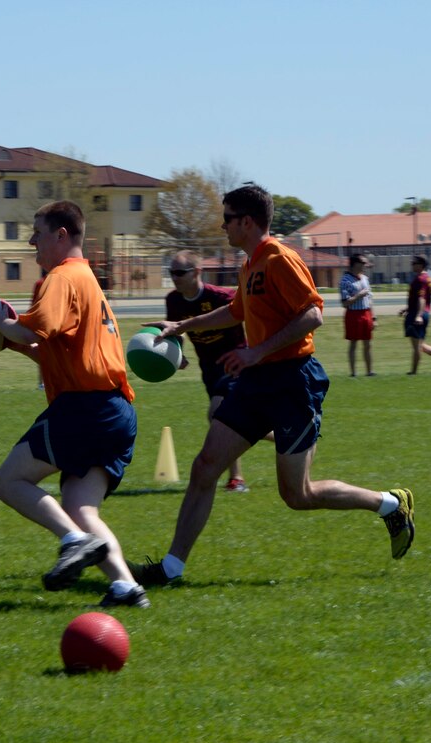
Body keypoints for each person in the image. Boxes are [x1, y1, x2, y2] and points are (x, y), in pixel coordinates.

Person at [131, 185, 414, 587]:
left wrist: (254, 352)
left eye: (227, 217)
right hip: (257, 381)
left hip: (293, 382)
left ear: (246, 221)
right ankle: (170, 568)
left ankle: (389, 504)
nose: (222, 225)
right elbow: (235, 312)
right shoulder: (249, 265)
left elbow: (314, 314)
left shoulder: (281, 258)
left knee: (297, 495)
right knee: (204, 466)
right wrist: (182, 326)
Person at [0, 201, 148, 608]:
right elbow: (53, 347)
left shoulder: (62, 276)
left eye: (37, 231)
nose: (32, 240)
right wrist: (14, 343)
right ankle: (126, 587)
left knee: (10, 482)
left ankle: (73, 542)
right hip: (115, 412)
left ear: (61, 235)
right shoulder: (86, 279)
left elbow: (42, 327)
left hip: (84, 409)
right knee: (80, 507)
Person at [165, 251, 251, 493]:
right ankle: (283, 437)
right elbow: (176, 332)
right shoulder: (173, 300)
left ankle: (237, 479)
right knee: (229, 421)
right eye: (171, 272)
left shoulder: (222, 296)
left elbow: (250, 319)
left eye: (180, 272)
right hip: (209, 370)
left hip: (234, 364)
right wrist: (177, 355)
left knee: (218, 415)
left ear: (197, 272)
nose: (175, 277)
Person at [399, 255, 431, 375]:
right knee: (420, 345)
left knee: (416, 346)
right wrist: (407, 309)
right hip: (418, 312)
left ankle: (413, 372)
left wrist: (418, 315)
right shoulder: (425, 278)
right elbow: (419, 299)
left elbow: (422, 299)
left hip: (418, 315)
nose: (412, 265)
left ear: (421, 265)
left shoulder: (421, 279)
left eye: (414, 263)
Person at [339, 254, 376, 377]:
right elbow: (345, 303)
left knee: (367, 343)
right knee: (353, 343)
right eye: (363, 263)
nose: (365, 266)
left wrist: (373, 317)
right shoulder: (345, 280)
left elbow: (370, 300)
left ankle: (369, 371)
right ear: (356, 264)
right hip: (353, 314)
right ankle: (353, 372)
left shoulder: (365, 278)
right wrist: (359, 295)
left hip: (366, 313)